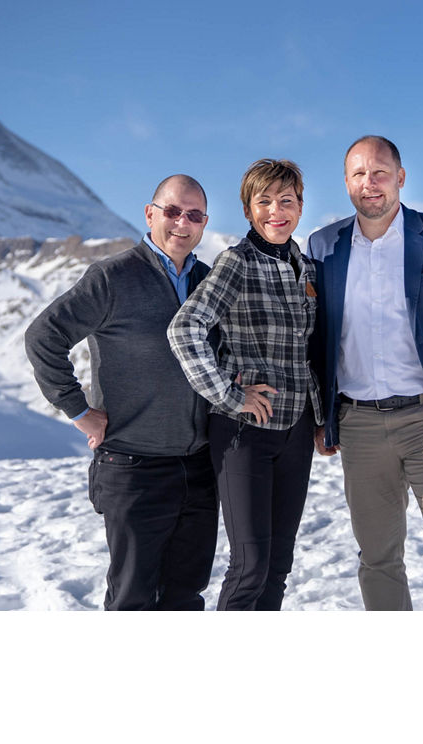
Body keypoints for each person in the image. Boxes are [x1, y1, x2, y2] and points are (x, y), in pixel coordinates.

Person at [307, 136, 423, 611]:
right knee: (377, 558)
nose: (369, 183)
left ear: (400, 177)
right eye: (358, 174)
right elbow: (317, 338)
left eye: (378, 172)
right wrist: (322, 416)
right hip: (358, 426)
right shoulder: (322, 246)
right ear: (346, 182)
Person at [24, 174, 218, 611]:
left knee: (186, 598)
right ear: (150, 214)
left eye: (194, 215)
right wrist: (79, 411)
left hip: (200, 467)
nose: (182, 223)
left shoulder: (211, 281)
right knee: (132, 600)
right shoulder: (112, 277)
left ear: (204, 223)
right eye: (172, 211)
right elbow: (43, 337)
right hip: (134, 467)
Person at [167, 159, 323, 610]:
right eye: (265, 201)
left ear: (300, 207)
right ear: (249, 209)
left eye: (287, 201)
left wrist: (321, 420)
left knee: (278, 564)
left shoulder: (306, 269)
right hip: (244, 435)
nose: (277, 211)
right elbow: (185, 329)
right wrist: (231, 395)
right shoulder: (237, 262)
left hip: (295, 432)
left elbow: (313, 350)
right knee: (250, 564)